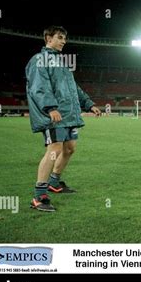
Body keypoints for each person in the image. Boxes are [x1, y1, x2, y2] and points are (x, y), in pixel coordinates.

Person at [26, 26, 101, 212]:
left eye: (65, 38)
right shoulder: (39, 60)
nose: (63, 41)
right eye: (60, 37)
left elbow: (73, 88)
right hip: (55, 114)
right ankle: (39, 196)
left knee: (70, 148)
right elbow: (38, 87)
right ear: (48, 38)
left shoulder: (62, 63)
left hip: (69, 114)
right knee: (54, 149)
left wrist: (89, 103)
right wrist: (50, 107)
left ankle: (54, 183)